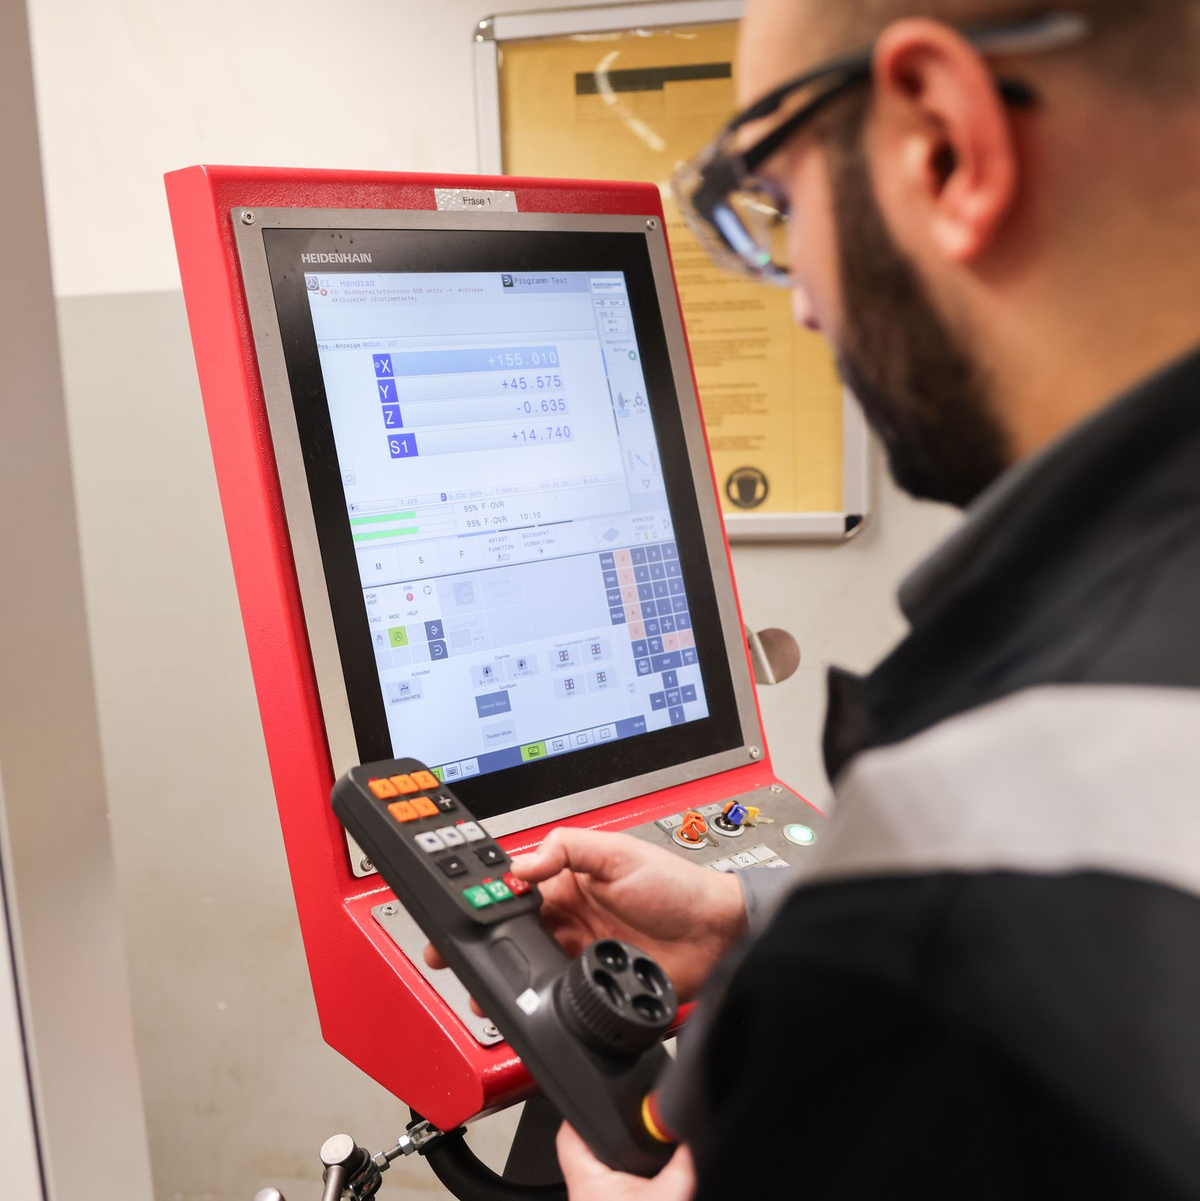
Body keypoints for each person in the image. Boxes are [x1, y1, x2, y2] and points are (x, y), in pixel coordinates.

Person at [432, 1, 1200, 1195]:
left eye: (782, 202)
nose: (797, 299)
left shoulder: (945, 895)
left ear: (944, 142)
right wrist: (753, 915)